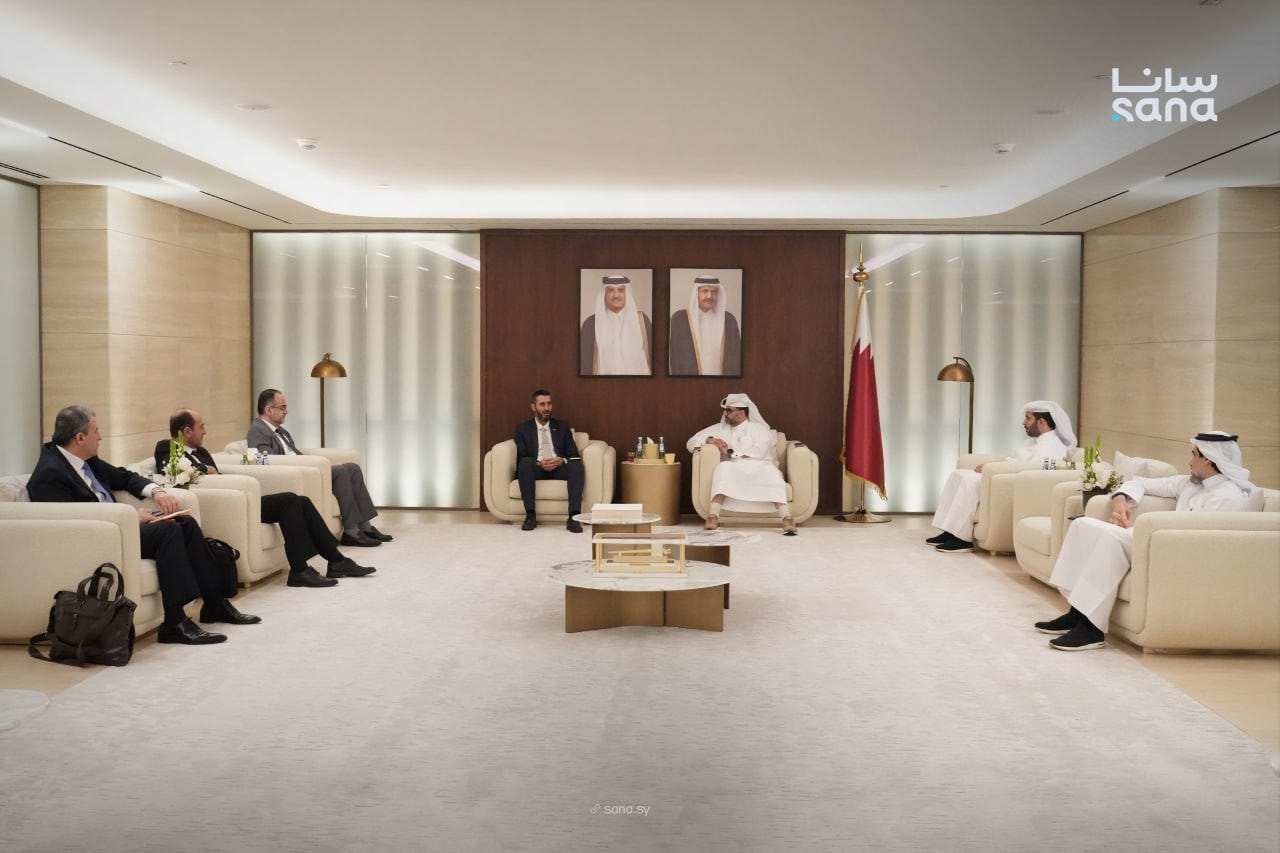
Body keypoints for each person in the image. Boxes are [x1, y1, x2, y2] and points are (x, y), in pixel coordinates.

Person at [27, 405, 259, 645]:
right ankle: (175, 623)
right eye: (96, 431)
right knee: (168, 531)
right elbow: (73, 522)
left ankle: (214, 603)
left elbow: (125, 477)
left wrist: (157, 492)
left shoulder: (87, 461)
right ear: (80, 437)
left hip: (121, 526)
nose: (100, 436)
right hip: (103, 537)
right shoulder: (50, 473)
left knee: (185, 523)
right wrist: (129, 516)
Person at [1036, 431, 1253, 651]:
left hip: (1174, 550)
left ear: (1207, 458)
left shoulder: (1227, 496)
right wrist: (1120, 499)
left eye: (1194, 454)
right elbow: (1140, 483)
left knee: (1110, 540)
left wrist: (1145, 530)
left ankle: (1092, 630)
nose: (1190, 461)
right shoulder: (1191, 483)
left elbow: (1200, 538)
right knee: (1082, 525)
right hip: (1153, 539)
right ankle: (1077, 612)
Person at [156, 409, 374, 587]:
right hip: (228, 504)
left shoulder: (201, 451)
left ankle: (336, 561)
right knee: (289, 500)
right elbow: (178, 472)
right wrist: (206, 469)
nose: (205, 431)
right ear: (187, 431)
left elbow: (215, 473)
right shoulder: (166, 447)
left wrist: (209, 470)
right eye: (201, 426)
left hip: (240, 498)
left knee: (301, 501)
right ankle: (299, 570)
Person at [248, 388, 391, 548]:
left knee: (352, 468)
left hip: (306, 469)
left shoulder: (281, 431)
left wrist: (321, 465)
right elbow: (268, 461)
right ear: (269, 410)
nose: (286, 411)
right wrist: (315, 465)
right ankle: (351, 532)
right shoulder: (258, 431)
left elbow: (295, 454)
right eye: (283, 407)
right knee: (340, 472)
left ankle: (365, 527)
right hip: (295, 475)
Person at [928, 400, 1076, 553]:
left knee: (969, 480)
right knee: (959, 474)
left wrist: (991, 469)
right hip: (1006, 474)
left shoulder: (1053, 445)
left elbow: (1036, 469)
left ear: (1041, 422)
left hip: (1017, 483)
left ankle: (962, 540)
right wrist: (991, 466)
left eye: (1028, 418)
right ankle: (950, 530)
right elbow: (1015, 460)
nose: (1024, 422)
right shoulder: (1035, 442)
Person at [687, 393, 796, 535]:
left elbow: (760, 452)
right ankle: (713, 516)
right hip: (733, 466)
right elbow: (691, 442)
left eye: (729, 411)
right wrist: (710, 441)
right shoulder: (719, 428)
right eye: (725, 410)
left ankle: (787, 518)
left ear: (741, 413)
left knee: (771, 474)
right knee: (723, 468)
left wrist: (730, 453)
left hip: (759, 466)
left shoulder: (758, 429)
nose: (725, 414)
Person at [514, 389, 585, 533]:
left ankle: (573, 518)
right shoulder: (523, 429)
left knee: (576, 466)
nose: (546, 408)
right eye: (542, 404)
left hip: (558, 468)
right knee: (525, 464)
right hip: (537, 468)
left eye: (549, 404)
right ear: (533, 407)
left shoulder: (562, 427)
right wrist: (538, 463)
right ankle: (530, 516)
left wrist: (562, 460)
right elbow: (521, 456)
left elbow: (573, 454)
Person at [579, 274, 652, 375]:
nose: (616, 295)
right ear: (604, 294)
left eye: (621, 290)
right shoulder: (590, 324)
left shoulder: (642, 321)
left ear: (627, 293)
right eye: (610, 290)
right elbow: (584, 365)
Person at [669, 274, 742, 375]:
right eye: (705, 291)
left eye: (714, 292)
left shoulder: (729, 319)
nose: (709, 296)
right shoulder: (680, 319)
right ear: (696, 293)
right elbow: (675, 357)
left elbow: (737, 356)